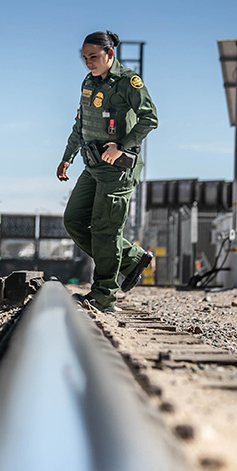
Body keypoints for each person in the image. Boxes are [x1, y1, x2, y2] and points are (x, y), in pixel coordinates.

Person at [57, 30, 158, 313]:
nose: (89, 63)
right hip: (92, 165)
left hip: (117, 169)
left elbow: (150, 118)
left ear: (109, 54)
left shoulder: (128, 81)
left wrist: (122, 146)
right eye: (85, 58)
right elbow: (81, 125)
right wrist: (67, 157)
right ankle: (132, 258)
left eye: (94, 57)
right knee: (74, 220)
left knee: (105, 230)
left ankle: (104, 296)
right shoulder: (88, 82)